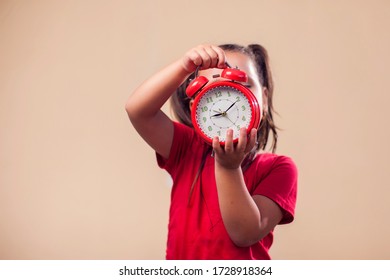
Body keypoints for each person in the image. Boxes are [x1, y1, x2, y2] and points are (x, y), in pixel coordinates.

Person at [125, 44, 298, 260]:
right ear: (195, 108)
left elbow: (245, 233)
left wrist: (229, 167)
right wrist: (183, 67)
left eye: (240, 84)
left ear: (263, 99)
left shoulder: (278, 168)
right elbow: (137, 110)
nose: (226, 98)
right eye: (211, 91)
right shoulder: (186, 148)